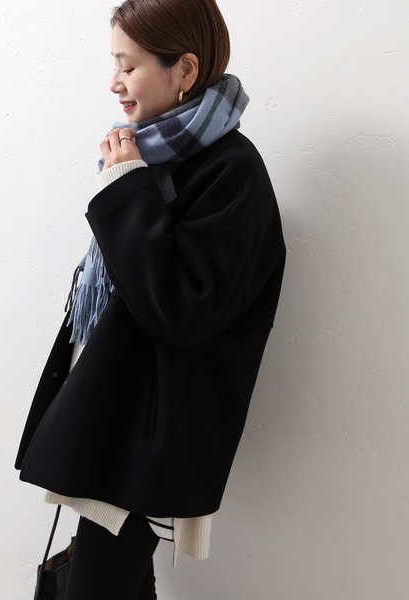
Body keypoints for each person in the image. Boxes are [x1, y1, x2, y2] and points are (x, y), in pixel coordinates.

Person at [15, 0, 286, 597]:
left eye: (129, 65)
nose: (115, 82)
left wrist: (126, 186)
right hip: (117, 422)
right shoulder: (158, 155)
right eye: (114, 64)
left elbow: (181, 310)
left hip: (147, 439)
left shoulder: (231, 171)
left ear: (184, 70)